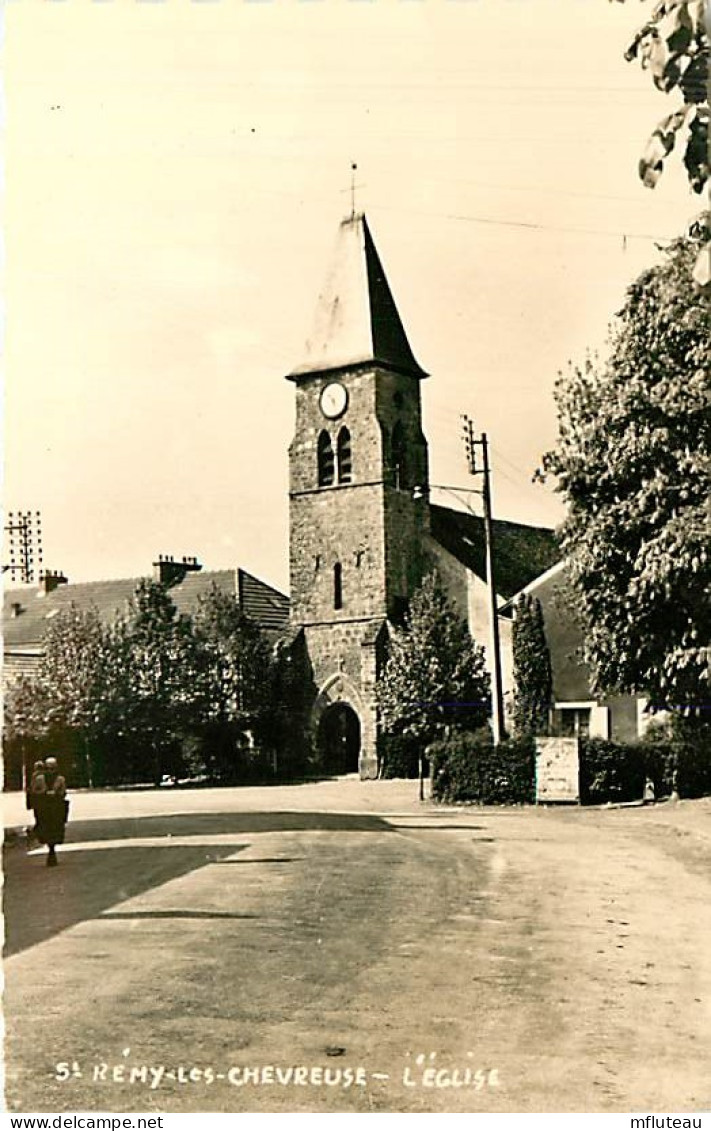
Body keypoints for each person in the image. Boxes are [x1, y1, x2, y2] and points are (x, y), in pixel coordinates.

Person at [35, 756, 68, 867]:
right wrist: (43, 792)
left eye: (52, 768)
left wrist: (56, 793)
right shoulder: (39, 779)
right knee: (45, 829)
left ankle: (52, 850)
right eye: (48, 768)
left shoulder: (60, 779)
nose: (50, 770)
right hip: (44, 807)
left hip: (56, 807)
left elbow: (63, 792)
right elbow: (34, 791)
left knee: (55, 829)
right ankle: (50, 849)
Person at [26, 760, 46, 847]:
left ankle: (39, 833)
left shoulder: (35, 776)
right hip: (44, 800)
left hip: (37, 800)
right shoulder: (45, 775)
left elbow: (33, 789)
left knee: (38, 816)